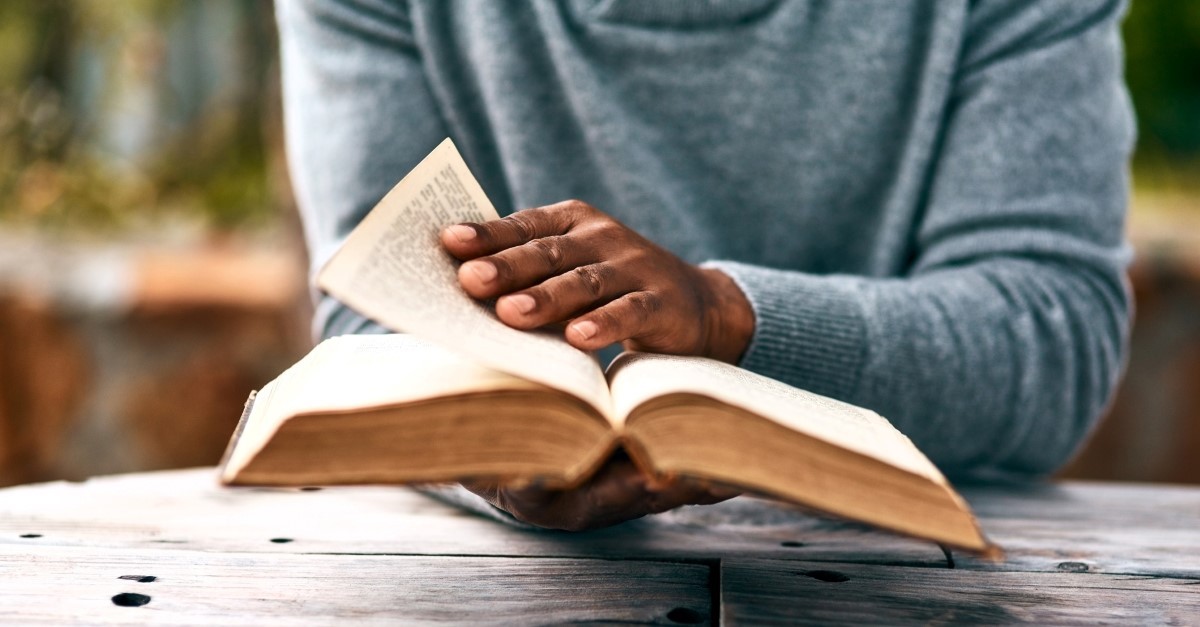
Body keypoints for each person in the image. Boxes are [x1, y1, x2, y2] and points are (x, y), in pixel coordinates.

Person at [275, 0, 1134, 530]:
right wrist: (488, 453)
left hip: (911, 574)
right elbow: (372, 318)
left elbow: (1050, 330)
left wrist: (729, 315)